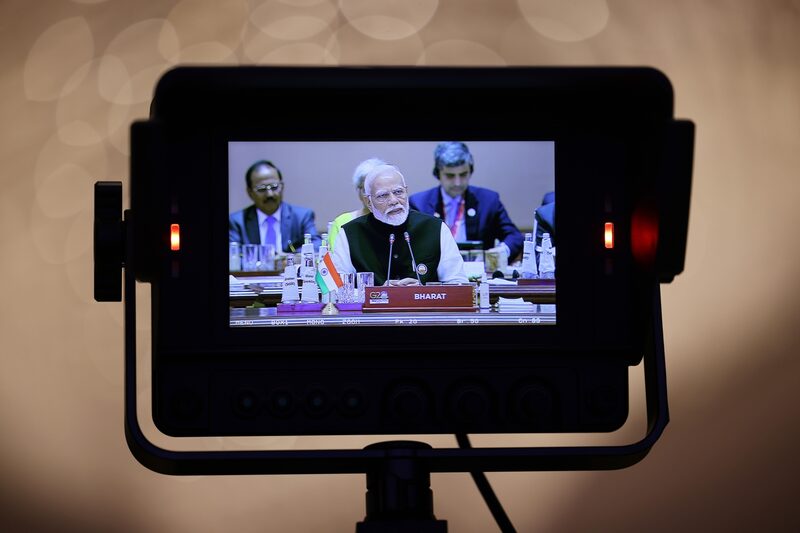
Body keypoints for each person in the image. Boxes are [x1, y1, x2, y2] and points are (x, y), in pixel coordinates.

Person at [332, 164, 468, 286]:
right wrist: (377, 294)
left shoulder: (436, 228)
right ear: (369, 202)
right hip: (373, 313)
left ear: (406, 191)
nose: (393, 201)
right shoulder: (350, 234)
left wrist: (425, 291)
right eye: (382, 196)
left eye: (398, 192)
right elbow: (335, 289)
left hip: (425, 312)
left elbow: (458, 283)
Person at [409, 141, 524, 260]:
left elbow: (514, 236)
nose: (457, 182)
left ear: (471, 171)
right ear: (438, 174)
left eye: (463, 174)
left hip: (478, 272)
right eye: (450, 176)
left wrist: (501, 251)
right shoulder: (419, 203)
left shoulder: (488, 200)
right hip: (436, 272)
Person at [229, 159, 320, 252]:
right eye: (261, 189)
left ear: (282, 187)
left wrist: (289, 260)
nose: (270, 194)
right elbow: (233, 255)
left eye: (274, 187)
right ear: (250, 192)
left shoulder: (302, 217)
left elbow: (315, 246)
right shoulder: (237, 222)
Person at [328, 157, 386, 252]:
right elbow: (335, 262)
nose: (372, 195)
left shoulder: (397, 220)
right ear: (358, 191)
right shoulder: (342, 222)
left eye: (379, 189)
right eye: (365, 189)